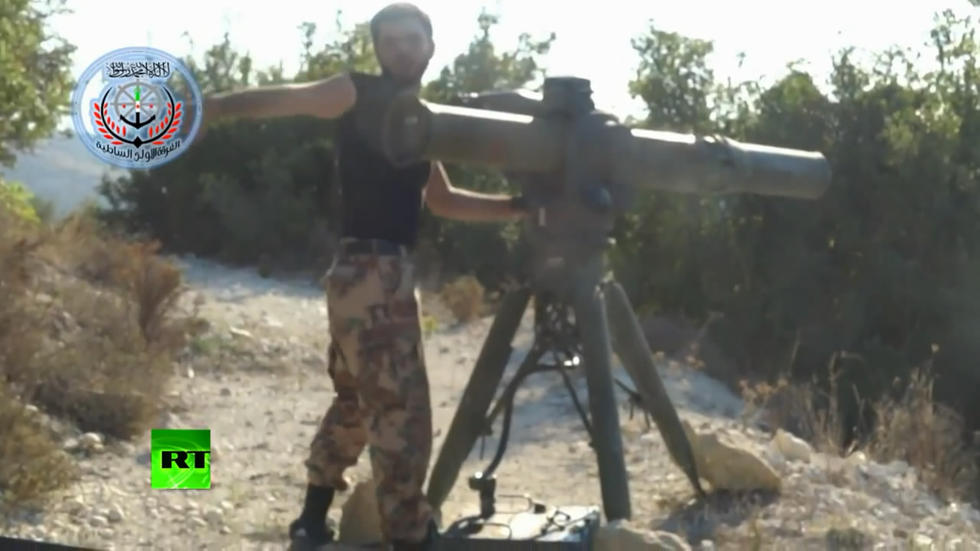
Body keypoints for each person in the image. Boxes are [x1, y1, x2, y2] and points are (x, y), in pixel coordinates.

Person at [196, 3, 529, 549]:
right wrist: (216, 107)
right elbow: (290, 99)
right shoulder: (357, 91)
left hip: (368, 275)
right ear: (377, 51)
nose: (401, 50)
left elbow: (443, 200)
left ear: (430, 47)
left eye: (411, 39)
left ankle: (311, 522)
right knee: (401, 414)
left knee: (356, 402)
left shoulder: (416, 121)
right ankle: (410, 535)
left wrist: (515, 208)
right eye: (390, 41)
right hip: (373, 273)